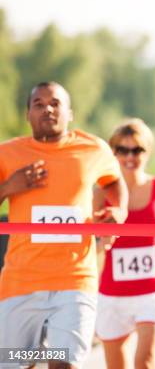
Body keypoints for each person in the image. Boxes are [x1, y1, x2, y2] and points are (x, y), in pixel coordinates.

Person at [0, 81, 128, 368]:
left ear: (70, 113)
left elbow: (114, 182)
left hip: (75, 278)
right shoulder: (7, 154)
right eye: (39, 104)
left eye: (56, 103)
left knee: (65, 362)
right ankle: (37, 354)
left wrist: (118, 209)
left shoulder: (93, 148)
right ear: (27, 115)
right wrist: (9, 186)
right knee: (15, 362)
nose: (48, 108)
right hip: (21, 279)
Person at [93, 118, 155, 369]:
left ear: (147, 152)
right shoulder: (100, 193)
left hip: (154, 292)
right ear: (113, 153)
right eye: (123, 150)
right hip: (113, 294)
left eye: (137, 149)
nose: (130, 156)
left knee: (145, 362)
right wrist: (103, 242)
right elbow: (86, 246)